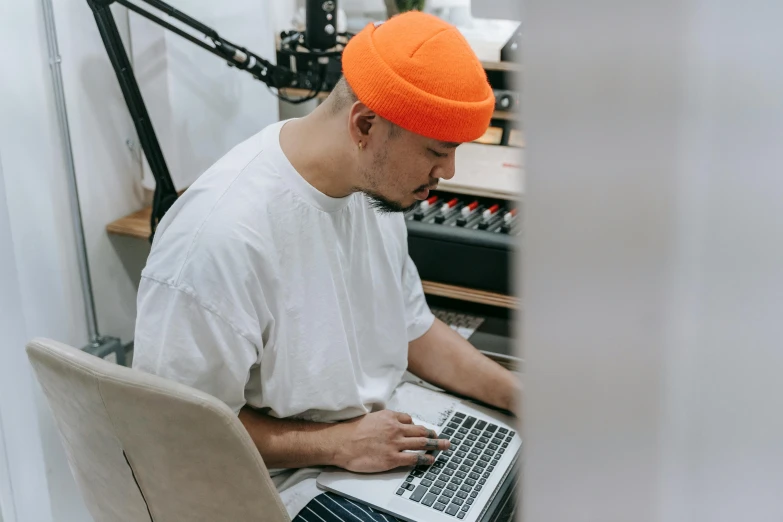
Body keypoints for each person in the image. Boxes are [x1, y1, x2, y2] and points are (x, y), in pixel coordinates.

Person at [132, 10, 521, 522]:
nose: (447, 172)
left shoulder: (373, 189)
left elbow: (410, 328)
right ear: (365, 125)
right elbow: (181, 432)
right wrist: (336, 444)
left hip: (374, 443)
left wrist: (518, 395)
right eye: (436, 151)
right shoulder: (218, 239)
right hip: (279, 485)